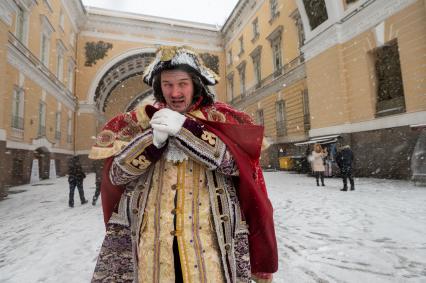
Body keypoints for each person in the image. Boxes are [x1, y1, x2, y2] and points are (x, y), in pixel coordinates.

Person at [89, 46, 278, 283]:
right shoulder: (142, 122)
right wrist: (151, 142)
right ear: (159, 87)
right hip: (152, 249)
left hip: (210, 248)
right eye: (167, 84)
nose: (175, 91)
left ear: (195, 84)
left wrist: (185, 130)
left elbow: (236, 166)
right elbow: (116, 176)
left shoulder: (218, 119)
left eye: (182, 83)